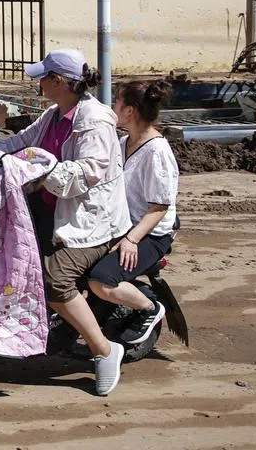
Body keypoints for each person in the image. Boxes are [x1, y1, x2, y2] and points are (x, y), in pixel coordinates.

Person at [0, 48, 132, 396]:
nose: (38, 83)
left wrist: (42, 168)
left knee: (55, 280)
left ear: (58, 81)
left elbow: (88, 173)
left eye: (42, 78)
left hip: (90, 222)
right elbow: (22, 144)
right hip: (47, 209)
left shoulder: (95, 121)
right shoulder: (54, 115)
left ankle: (104, 350)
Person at [88, 80, 179, 345]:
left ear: (129, 111)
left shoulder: (157, 151)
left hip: (149, 232)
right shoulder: (123, 141)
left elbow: (160, 206)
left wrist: (131, 239)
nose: (111, 106)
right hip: (120, 224)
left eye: (116, 101)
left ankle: (149, 309)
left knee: (102, 282)